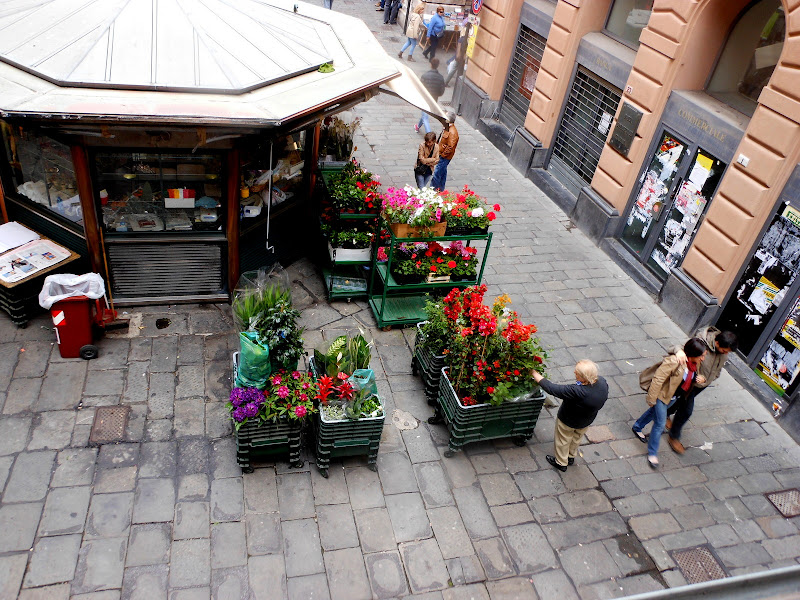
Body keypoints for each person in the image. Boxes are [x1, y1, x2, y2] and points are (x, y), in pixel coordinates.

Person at [632, 338, 707, 469]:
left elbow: (688, 377)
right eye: (702, 356)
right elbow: (658, 379)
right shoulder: (674, 361)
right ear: (694, 354)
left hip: (674, 397)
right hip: (663, 396)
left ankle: (637, 426)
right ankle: (652, 453)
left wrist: (699, 378)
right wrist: (651, 398)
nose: (703, 359)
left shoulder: (694, 364)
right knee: (660, 424)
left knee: (652, 413)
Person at [665, 328, 738, 454]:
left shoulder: (723, 353)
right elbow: (677, 347)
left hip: (701, 384)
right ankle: (674, 436)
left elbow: (717, 368)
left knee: (679, 401)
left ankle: (666, 412)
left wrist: (710, 378)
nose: (726, 353)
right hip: (689, 382)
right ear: (718, 343)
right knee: (686, 411)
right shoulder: (701, 342)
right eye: (724, 350)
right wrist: (679, 352)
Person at [532, 360, 609, 472]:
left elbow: (552, 389)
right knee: (576, 438)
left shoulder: (577, 391)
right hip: (586, 420)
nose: (574, 372)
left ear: (584, 377)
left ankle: (561, 462)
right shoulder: (602, 382)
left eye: (577, 373)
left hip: (568, 420)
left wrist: (534, 373)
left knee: (563, 440)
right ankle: (570, 456)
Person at [416, 58, 445, 134]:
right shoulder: (441, 78)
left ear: (431, 64)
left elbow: (420, 87)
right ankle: (417, 126)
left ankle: (429, 135)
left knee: (425, 117)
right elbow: (441, 91)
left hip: (425, 98)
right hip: (433, 100)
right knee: (425, 113)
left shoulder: (425, 76)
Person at [431, 112, 458, 191]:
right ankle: (441, 189)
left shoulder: (452, 132)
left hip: (444, 157)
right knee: (442, 172)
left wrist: (442, 155)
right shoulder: (447, 128)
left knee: (437, 173)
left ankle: (432, 190)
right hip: (441, 154)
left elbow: (450, 147)